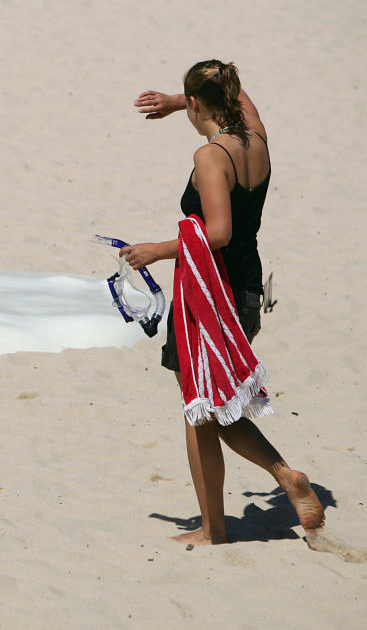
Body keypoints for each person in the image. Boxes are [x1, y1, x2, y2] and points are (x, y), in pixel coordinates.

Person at [121, 60, 325, 546]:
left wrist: (154, 249)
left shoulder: (211, 157)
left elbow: (216, 233)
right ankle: (278, 480)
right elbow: (232, 90)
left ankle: (218, 525)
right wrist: (179, 101)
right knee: (218, 403)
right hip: (248, 288)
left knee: (201, 408)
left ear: (196, 104)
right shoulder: (255, 136)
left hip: (211, 293)